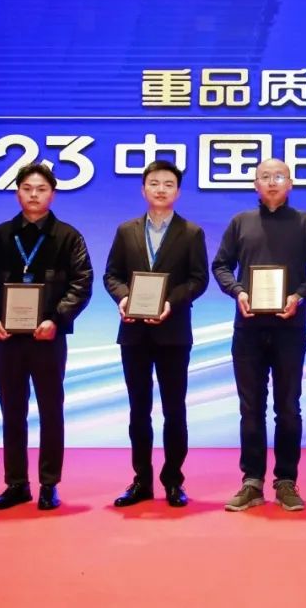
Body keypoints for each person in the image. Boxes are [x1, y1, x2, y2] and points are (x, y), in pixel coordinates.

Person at [212, 158, 306, 512]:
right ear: (255, 184)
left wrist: (299, 295)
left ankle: (286, 481)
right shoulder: (241, 222)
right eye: (265, 176)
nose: (273, 182)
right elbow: (220, 265)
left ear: (290, 184)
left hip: (290, 327)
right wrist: (238, 291)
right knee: (250, 408)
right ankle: (251, 481)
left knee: (288, 408)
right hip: (248, 328)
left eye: (279, 176)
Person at [0, 163, 93, 511]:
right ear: (17, 193)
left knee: (51, 411)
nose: (34, 195)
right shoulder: (0, 235)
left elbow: (81, 283)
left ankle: (48, 484)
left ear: (52, 194)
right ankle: (16, 484)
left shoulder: (68, 236)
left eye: (41, 189)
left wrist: (57, 319)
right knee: (12, 411)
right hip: (7, 338)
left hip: (48, 338)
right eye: (27, 189)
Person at [104, 160, 209, 508]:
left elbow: (198, 280)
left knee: (174, 410)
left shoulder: (191, 232)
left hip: (173, 333)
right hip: (133, 333)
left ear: (177, 191)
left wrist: (169, 303)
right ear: (143, 189)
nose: (161, 189)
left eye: (168, 184)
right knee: (138, 410)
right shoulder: (126, 231)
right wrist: (123, 298)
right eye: (154, 183)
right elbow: (112, 275)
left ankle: (174, 480)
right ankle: (141, 480)